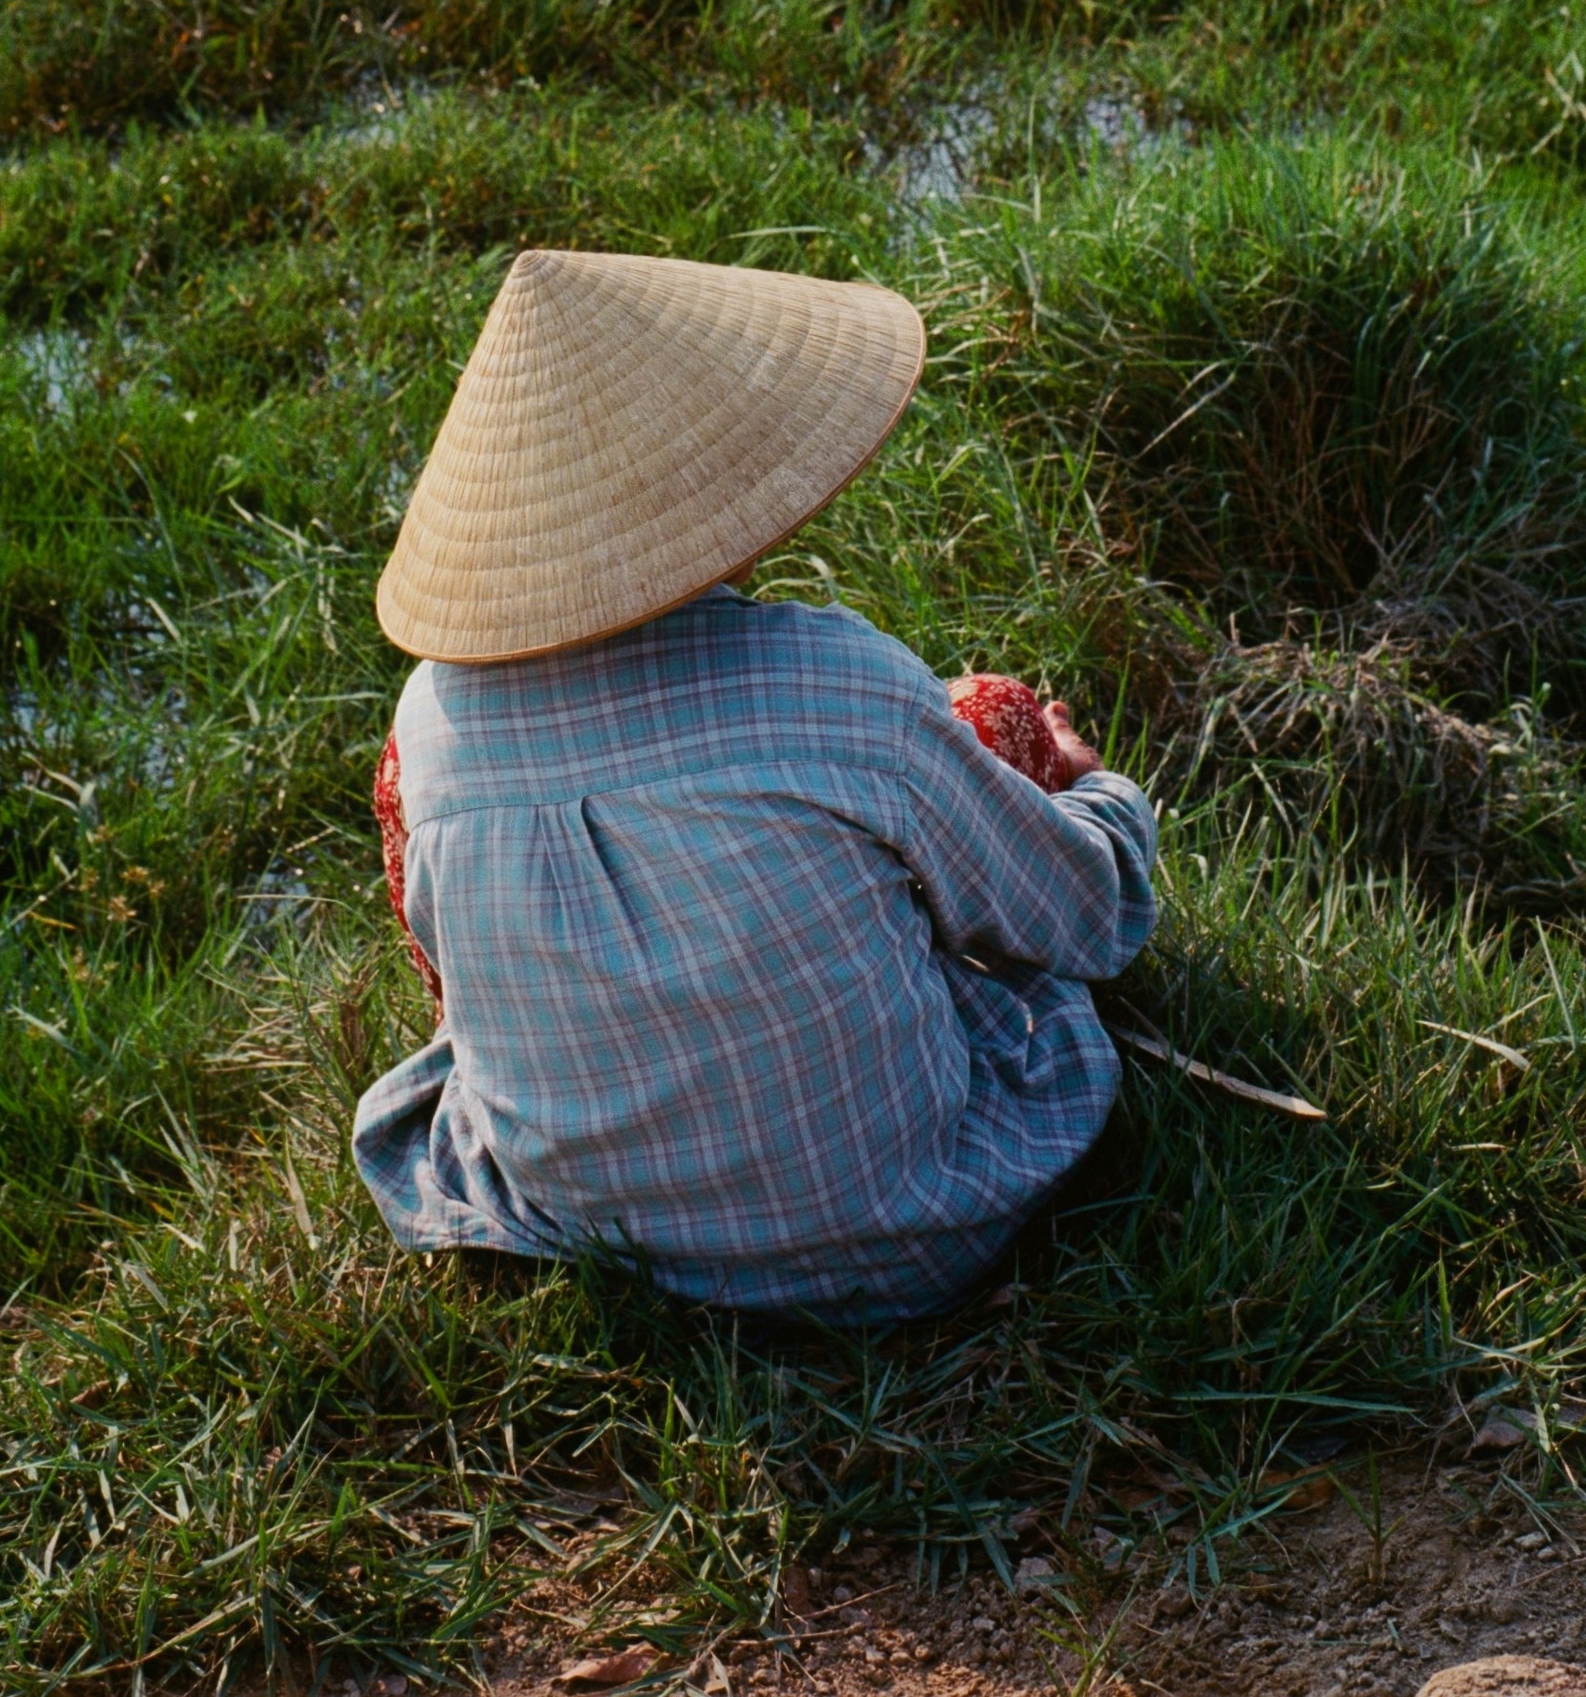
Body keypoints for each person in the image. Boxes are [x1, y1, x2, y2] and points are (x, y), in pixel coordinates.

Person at [351, 247, 1159, 1319]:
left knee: (402, 785)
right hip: (902, 1231)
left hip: (589, 1241)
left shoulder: (430, 724)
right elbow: (1089, 920)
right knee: (986, 710)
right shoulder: (835, 681)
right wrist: (1094, 793)